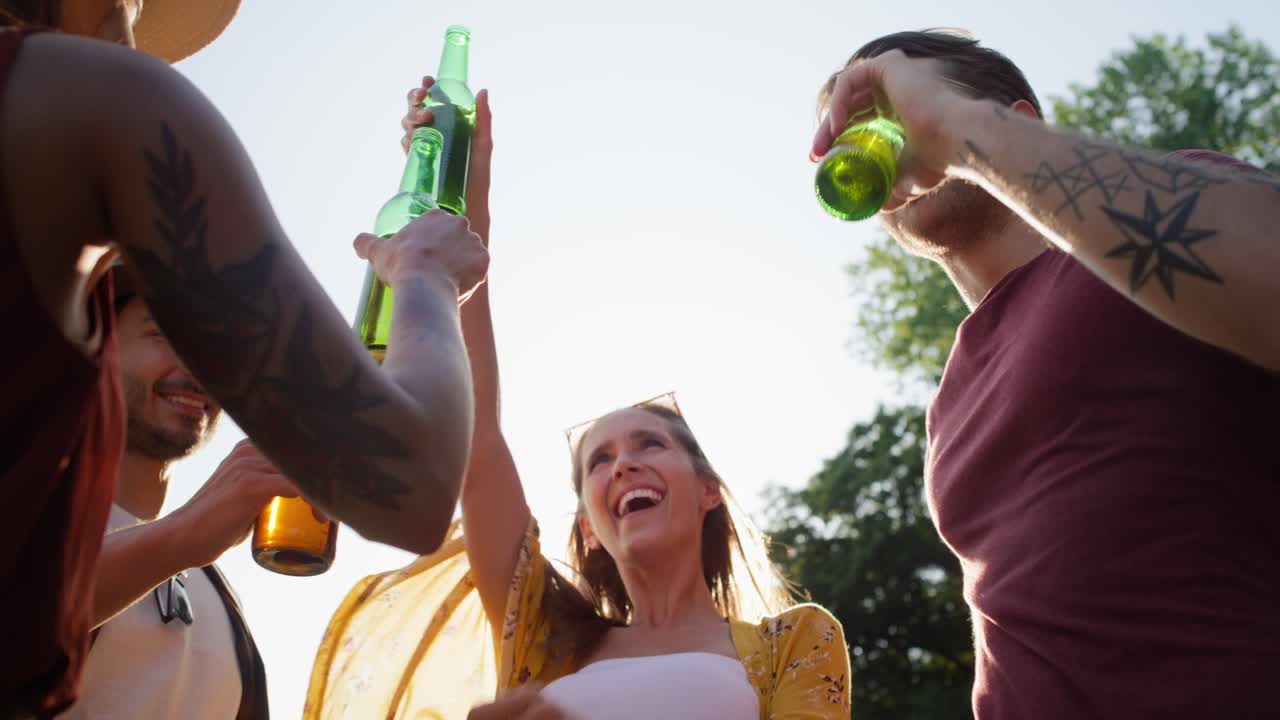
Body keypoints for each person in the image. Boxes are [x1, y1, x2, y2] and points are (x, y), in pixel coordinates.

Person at [303, 80, 852, 720]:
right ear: (589, 526)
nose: (622, 464)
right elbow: (475, 446)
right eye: (599, 460)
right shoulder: (548, 637)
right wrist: (467, 212)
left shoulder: (796, 641)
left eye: (651, 443)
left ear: (709, 491)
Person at [1, 1, 487, 715]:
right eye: (137, 3)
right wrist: (425, 279)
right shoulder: (105, 98)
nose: (138, 37)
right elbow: (410, 479)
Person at [811, 29, 1280, 719]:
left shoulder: (1156, 216)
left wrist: (957, 128)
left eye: (889, 111)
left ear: (1016, 122)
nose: (872, 139)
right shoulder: (948, 407)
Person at [61, 275, 285, 720]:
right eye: (165, 334)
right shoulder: (25, 525)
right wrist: (187, 533)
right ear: (95, 346)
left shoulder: (220, 602)